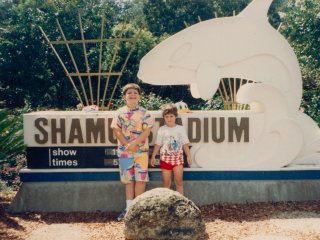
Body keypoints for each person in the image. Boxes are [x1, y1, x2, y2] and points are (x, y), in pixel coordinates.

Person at [111, 83, 154, 221]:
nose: (132, 95)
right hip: (125, 151)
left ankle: (138, 210)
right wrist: (127, 144)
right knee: (128, 180)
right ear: (124, 96)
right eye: (129, 92)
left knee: (140, 179)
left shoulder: (145, 113)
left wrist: (134, 144)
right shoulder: (119, 113)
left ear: (139, 96)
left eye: (135, 92)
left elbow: (147, 131)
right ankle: (129, 209)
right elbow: (116, 129)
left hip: (141, 151)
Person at [151, 103, 192, 195]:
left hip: (178, 159)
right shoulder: (162, 129)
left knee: (179, 183)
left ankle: (181, 203)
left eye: (171, 116)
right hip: (165, 159)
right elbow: (158, 144)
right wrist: (153, 156)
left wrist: (189, 156)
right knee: (166, 183)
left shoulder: (180, 129)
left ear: (175, 116)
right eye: (166, 116)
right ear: (164, 117)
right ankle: (167, 203)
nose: (169, 119)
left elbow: (185, 144)